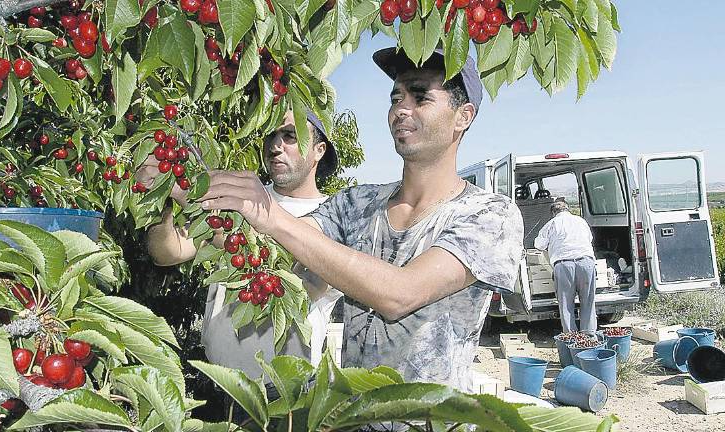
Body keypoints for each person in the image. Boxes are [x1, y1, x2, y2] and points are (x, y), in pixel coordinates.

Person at [196, 48, 524, 393]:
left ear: (463, 116)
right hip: (352, 417)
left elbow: (399, 294)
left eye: (420, 97)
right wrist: (191, 190)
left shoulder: (490, 215)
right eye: (396, 98)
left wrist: (271, 214)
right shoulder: (356, 203)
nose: (401, 110)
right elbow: (271, 251)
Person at [137, 110, 342, 382]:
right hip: (219, 383)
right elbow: (166, 252)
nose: (275, 145)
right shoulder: (242, 193)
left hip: (288, 394)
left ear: (319, 150)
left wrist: (194, 200)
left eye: (290, 136)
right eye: (271, 135)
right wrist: (160, 195)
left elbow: (299, 284)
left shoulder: (335, 215)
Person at [534, 200, 597, 334]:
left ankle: (571, 337)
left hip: (564, 265)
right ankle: (590, 335)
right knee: (588, 301)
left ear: (553, 213)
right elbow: (589, 239)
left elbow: (538, 245)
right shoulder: (581, 221)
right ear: (568, 209)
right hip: (586, 262)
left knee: (566, 304)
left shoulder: (551, 224)